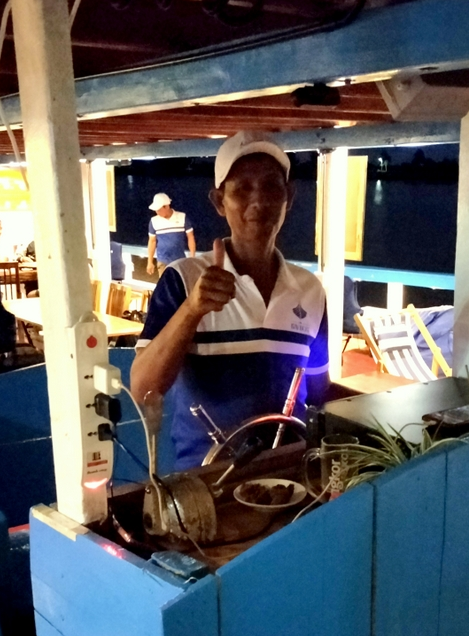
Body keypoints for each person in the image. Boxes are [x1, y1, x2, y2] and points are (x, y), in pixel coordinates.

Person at [131, 131, 329, 469]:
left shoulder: (310, 290)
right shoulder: (183, 279)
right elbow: (143, 390)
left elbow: (318, 395)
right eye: (242, 189)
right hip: (207, 482)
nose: (259, 201)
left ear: (289, 197)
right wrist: (193, 310)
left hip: (290, 477)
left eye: (271, 187)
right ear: (219, 202)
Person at [146, 193, 195, 277]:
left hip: (180, 261)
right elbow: (152, 241)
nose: (156, 212)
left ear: (166, 206)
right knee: (166, 287)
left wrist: (192, 257)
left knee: (181, 285)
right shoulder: (153, 221)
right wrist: (149, 262)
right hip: (163, 262)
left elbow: (190, 237)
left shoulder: (182, 217)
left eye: (159, 209)